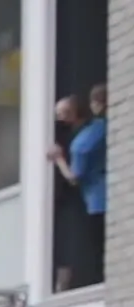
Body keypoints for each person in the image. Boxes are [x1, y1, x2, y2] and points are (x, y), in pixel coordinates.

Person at [51, 83, 108, 289]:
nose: (59, 119)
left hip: (96, 200)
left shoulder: (86, 139)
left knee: (97, 247)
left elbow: (74, 177)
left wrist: (58, 158)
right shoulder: (100, 127)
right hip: (96, 196)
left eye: (62, 114)